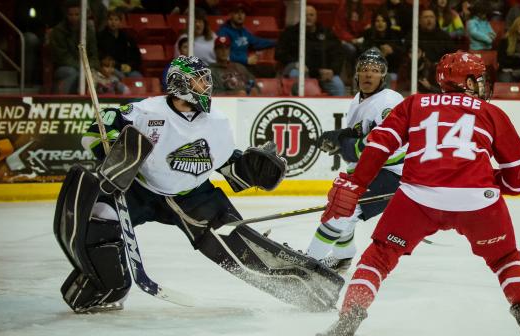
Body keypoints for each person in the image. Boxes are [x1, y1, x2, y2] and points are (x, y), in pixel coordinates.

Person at [314, 52, 520, 336]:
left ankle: (346, 322)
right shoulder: (490, 112)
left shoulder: (414, 104)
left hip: (418, 198)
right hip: (477, 202)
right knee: (505, 258)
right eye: (478, 78)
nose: (482, 84)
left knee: (379, 257)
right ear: (468, 81)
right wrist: (496, 183)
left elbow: (379, 144)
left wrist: (357, 184)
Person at [54, 55, 343, 314]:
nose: (206, 85)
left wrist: (248, 169)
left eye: (206, 79)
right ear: (179, 83)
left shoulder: (216, 122)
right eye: (198, 79)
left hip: (193, 196)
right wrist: (110, 150)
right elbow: (95, 133)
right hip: (140, 190)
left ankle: (310, 288)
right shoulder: (145, 111)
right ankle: (104, 288)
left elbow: (225, 161)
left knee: (241, 247)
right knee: (99, 217)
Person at [306, 48, 404, 273]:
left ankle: (307, 264)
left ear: (383, 76)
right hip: (368, 170)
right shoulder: (358, 100)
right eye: (364, 70)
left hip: (391, 172)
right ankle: (343, 255)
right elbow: (361, 133)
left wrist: (347, 146)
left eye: (375, 71)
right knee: (339, 204)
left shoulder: (389, 101)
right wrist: (340, 137)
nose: (369, 75)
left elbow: (388, 144)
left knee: (343, 210)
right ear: (356, 75)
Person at [275, 5, 346, 96]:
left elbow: (338, 53)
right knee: (295, 74)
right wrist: (296, 63)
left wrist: (333, 70)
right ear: (300, 17)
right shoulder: (290, 33)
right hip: (300, 70)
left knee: (338, 86)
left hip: (323, 73)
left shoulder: (326, 33)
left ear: (316, 17)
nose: (308, 17)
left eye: (311, 15)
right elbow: (279, 53)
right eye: (305, 15)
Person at [48, 0, 99, 94]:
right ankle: (66, 98)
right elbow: (62, 57)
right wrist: (82, 68)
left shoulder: (88, 30)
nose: (74, 17)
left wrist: (89, 67)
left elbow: (94, 55)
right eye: (71, 14)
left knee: (97, 75)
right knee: (73, 73)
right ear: (66, 15)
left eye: (77, 14)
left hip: (85, 66)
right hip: (64, 67)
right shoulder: (59, 31)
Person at [216, 2, 276, 67]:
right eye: (236, 12)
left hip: (244, 65)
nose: (240, 15)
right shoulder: (223, 32)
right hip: (230, 66)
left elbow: (257, 42)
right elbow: (223, 54)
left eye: (242, 13)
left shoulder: (244, 31)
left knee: (269, 69)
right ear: (230, 15)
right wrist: (245, 60)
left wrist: (275, 42)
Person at [96, 9, 142, 78]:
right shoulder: (100, 37)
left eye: (116, 20)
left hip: (128, 68)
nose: (113, 22)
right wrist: (117, 65)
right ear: (106, 21)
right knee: (121, 77)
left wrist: (131, 66)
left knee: (137, 77)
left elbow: (136, 56)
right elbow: (102, 57)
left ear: (120, 22)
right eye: (110, 19)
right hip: (111, 68)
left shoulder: (126, 37)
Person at [361, 9, 405, 78]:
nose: (380, 24)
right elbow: (363, 52)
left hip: (391, 70)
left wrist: (392, 51)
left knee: (391, 77)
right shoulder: (369, 34)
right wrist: (380, 51)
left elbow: (401, 54)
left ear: (387, 23)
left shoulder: (394, 34)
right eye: (377, 21)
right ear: (374, 23)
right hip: (371, 70)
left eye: (383, 21)